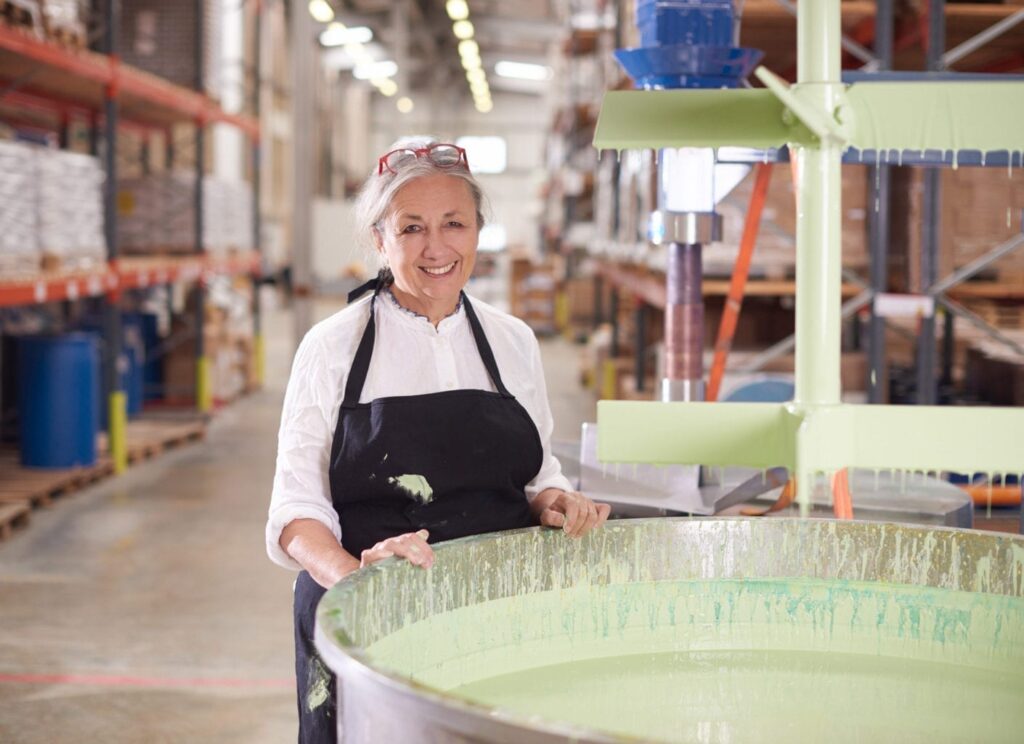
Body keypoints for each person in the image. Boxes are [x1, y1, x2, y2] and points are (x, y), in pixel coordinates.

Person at [266, 137, 611, 743]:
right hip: (370, 620)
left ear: (478, 231)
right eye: (412, 228)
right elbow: (296, 514)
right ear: (380, 239)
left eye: (454, 224)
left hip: (492, 612)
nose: (436, 247)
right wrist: (356, 581)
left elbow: (536, 476)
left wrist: (554, 502)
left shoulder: (512, 341)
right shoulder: (333, 347)